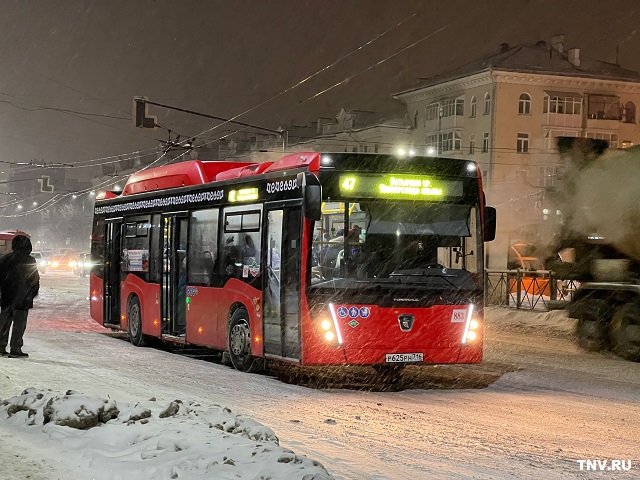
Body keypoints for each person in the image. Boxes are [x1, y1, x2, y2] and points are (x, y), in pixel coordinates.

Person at [0, 235, 40, 358]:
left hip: (7, 297)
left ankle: (1, 346)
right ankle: (15, 349)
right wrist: (32, 293)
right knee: (19, 324)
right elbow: (34, 279)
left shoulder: (5, 259)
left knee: (4, 323)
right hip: (23, 298)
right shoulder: (30, 260)